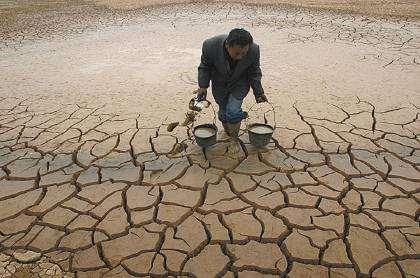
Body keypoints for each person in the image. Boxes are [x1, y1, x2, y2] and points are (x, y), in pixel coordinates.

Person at [195, 28, 268, 151]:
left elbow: (254, 72)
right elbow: (204, 67)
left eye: (244, 54)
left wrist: (259, 92)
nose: (240, 57)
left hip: (240, 82)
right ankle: (229, 131)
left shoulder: (254, 50)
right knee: (223, 113)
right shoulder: (210, 46)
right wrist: (203, 86)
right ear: (227, 45)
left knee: (233, 110)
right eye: (236, 53)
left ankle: (234, 139)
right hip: (220, 83)